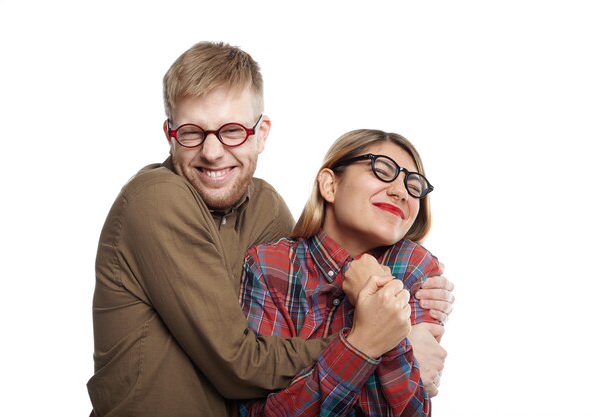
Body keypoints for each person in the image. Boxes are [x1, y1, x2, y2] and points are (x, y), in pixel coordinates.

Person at [87, 41, 455, 417]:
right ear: (169, 134)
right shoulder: (157, 198)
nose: (212, 152)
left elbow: (311, 280)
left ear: (261, 133)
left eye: (232, 131)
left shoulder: (265, 207)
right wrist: (384, 342)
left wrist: (418, 291)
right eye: (192, 132)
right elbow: (238, 363)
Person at [239, 129, 445, 416]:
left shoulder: (417, 268)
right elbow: (259, 411)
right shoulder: (269, 265)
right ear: (330, 185)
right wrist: (368, 341)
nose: (400, 192)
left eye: (413, 185)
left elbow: (411, 411)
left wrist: (377, 293)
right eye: (381, 169)